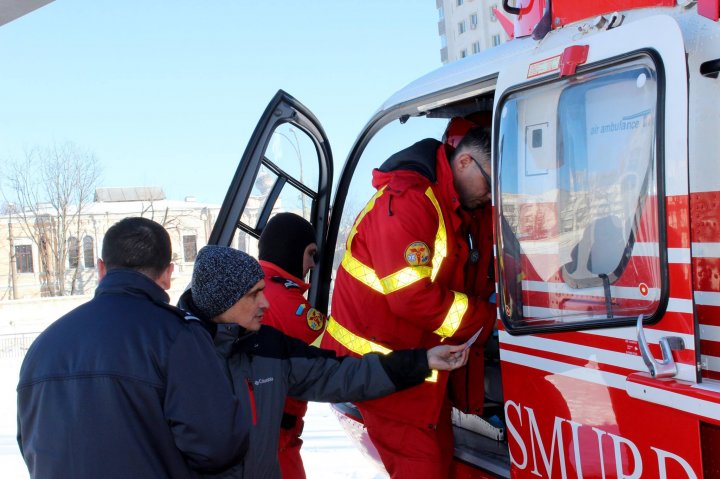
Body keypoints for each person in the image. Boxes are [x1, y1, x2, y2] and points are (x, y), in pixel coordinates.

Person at [177, 245, 470, 479]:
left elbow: (342, 375)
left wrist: (422, 361)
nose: (265, 303)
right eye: (254, 295)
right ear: (223, 300)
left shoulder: (268, 348)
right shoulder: (174, 356)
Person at [320, 122, 497, 478]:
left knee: (441, 458)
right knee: (423, 467)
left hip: (414, 367)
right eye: (491, 185)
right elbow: (412, 298)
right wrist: (487, 319)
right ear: (463, 163)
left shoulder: (449, 204)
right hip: (379, 371)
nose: (492, 197)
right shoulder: (409, 201)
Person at [17, 217, 250, 479]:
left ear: (102, 268)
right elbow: (218, 444)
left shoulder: (44, 346)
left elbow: (31, 445)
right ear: (168, 273)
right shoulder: (177, 336)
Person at [258, 212, 325, 479]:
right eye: (310, 254)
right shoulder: (287, 302)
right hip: (276, 440)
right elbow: (335, 353)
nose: (311, 264)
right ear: (291, 250)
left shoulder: (253, 284)